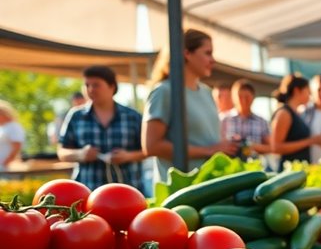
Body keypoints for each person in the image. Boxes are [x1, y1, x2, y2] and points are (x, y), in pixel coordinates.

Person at [142, 28, 238, 182]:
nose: (213, 60)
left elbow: (207, 139)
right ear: (187, 53)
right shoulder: (164, 91)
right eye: (207, 53)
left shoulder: (207, 92)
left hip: (209, 187)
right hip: (180, 192)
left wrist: (224, 146)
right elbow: (151, 146)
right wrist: (209, 150)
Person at [57, 65, 145, 191]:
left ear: (112, 87)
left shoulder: (133, 116)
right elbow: (62, 152)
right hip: (87, 192)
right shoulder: (76, 116)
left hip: (128, 191)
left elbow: (147, 150)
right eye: (87, 85)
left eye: (96, 85)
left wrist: (127, 156)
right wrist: (81, 154)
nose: (91, 89)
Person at [269, 74, 321, 167]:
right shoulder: (284, 113)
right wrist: (311, 141)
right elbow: (276, 148)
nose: (310, 95)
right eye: (308, 91)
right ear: (297, 91)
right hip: (289, 173)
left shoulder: (297, 113)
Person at [220, 79, 270, 158]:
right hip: (230, 165)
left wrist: (253, 146)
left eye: (247, 97)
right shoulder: (223, 119)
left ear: (253, 97)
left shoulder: (261, 121)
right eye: (239, 97)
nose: (243, 101)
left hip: (253, 164)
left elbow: (271, 148)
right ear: (233, 98)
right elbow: (215, 145)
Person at [0, 100, 25, 171]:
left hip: (7, 168)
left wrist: (6, 163)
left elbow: (17, 147)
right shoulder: (3, 128)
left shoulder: (13, 127)